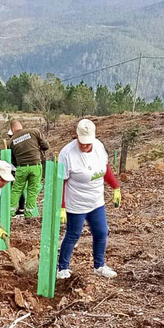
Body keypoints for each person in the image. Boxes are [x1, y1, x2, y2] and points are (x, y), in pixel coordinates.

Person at [57, 119, 121, 280]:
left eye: (88, 143)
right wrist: (62, 206)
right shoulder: (67, 154)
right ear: (76, 136)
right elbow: (62, 182)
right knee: (73, 234)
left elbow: (104, 169)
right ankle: (63, 268)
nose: (84, 146)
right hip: (76, 203)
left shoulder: (99, 147)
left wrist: (115, 187)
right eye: (82, 142)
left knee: (101, 232)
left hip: (96, 201)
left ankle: (99, 265)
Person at [7, 120, 49, 219]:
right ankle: (29, 215)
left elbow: (13, 160)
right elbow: (46, 146)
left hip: (21, 168)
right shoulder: (34, 131)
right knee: (32, 191)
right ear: (21, 126)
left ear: (13, 129)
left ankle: (10, 213)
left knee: (16, 190)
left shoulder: (10, 141)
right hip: (35, 166)